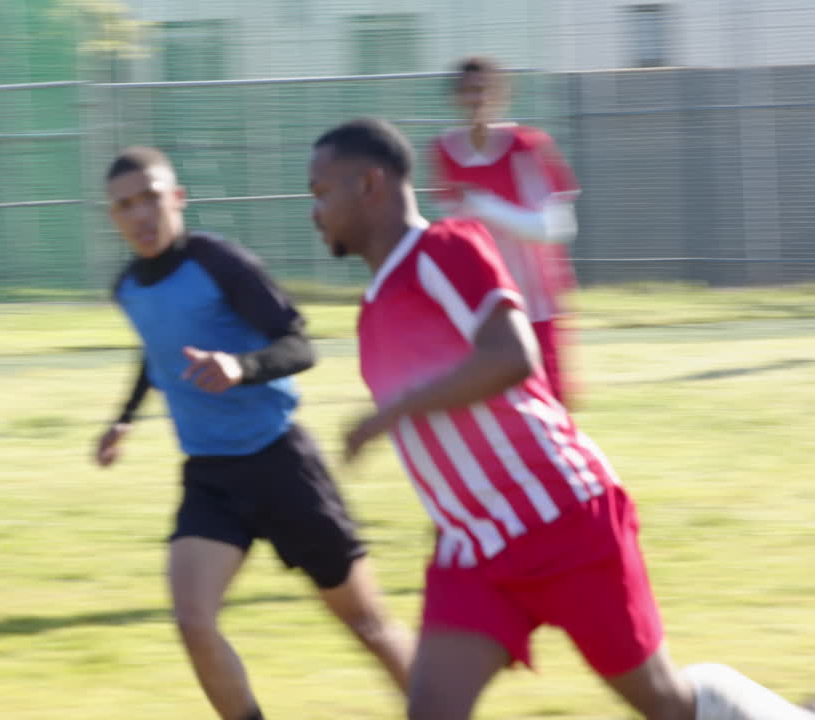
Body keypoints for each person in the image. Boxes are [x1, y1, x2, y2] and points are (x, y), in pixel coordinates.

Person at [308, 116, 814, 720]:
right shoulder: (369, 314)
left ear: (370, 183)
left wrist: (392, 411)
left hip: (564, 519)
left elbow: (512, 357)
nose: (315, 211)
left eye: (321, 192)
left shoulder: (446, 249)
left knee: (664, 703)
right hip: (474, 548)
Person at [94, 146, 413, 720]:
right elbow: (156, 351)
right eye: (125, 206)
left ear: (178, 198)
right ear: (112, 216)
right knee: (193, 622)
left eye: (151, 198)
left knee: (366, 624)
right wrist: (124, 416)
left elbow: (297, 343)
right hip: (210, 476)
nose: (141, 215)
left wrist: (242, 367)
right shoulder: (128, 289)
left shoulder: (219, 261)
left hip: (281, 464)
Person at [432, 56, 580, 405]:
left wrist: (485, 206)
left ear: (502, 94)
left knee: (550, 411)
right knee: (493, 414)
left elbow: (556, 226)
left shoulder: (528, 146)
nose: (477, 98)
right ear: (456, 97)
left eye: (484, 89)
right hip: (484, 307)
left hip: (537, 306)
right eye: (468, 90)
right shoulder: (444, 151)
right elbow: (453, 233)